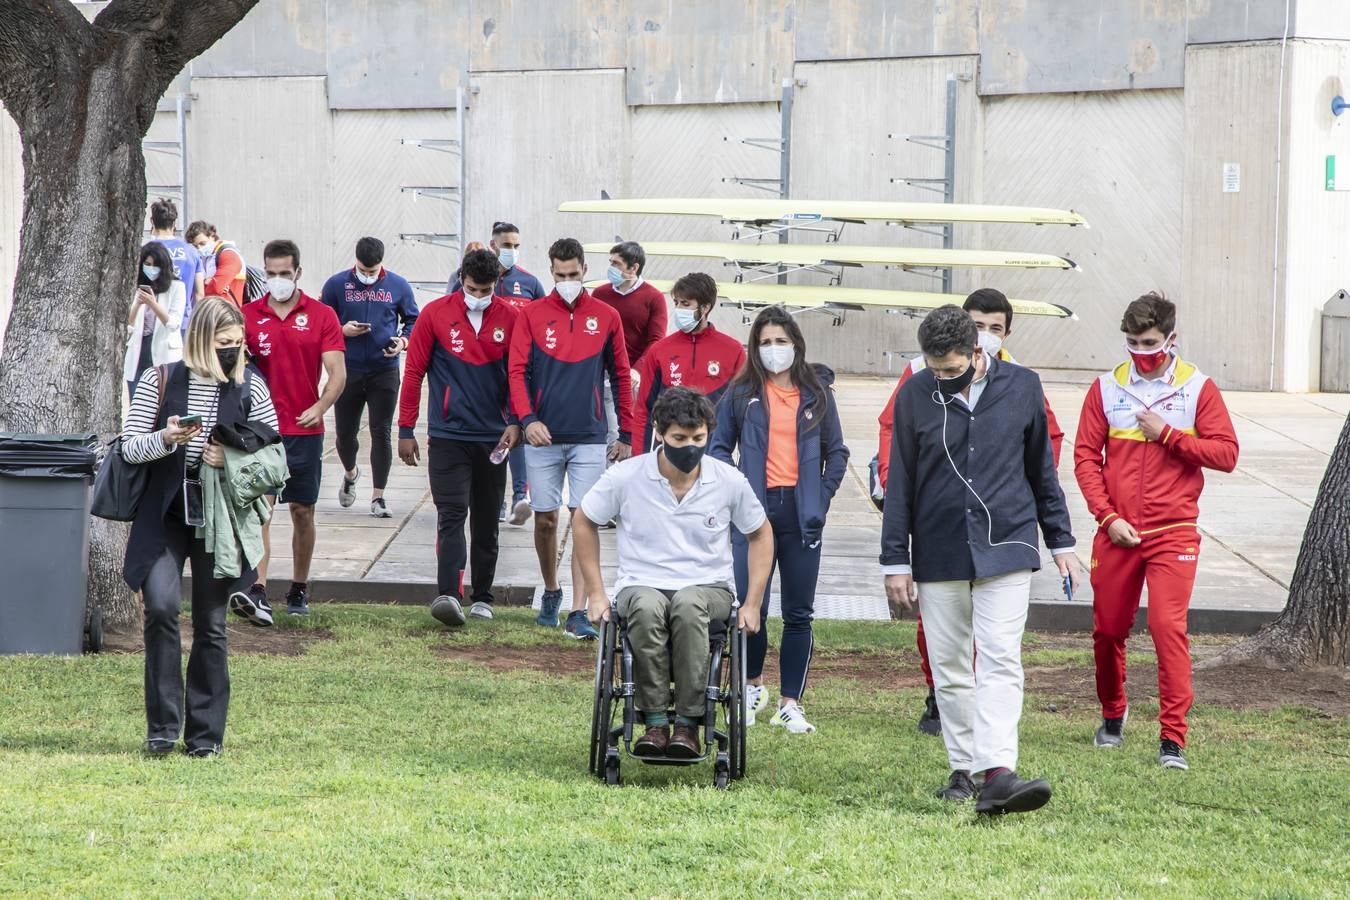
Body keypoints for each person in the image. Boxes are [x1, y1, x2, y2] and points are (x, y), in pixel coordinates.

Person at [881, 304, 1079, 815]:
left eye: (951, 370)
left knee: (999, 657)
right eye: (934, 370)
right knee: (949, 666)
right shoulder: (913, 394)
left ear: (975, 352)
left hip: (1008, 543)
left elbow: (1042, 471)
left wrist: (1061, 542)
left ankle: (997, 771)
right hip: (937, 547)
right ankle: (964, 768)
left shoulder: (1023, 386)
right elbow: (900, 481)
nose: (942, 380)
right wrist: (894, 562)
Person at [1074, 291, 1239, 771]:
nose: (1140, 352)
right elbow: (1085, 458)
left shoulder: (1197, 388)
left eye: (1149, 342)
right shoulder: (1106, 388)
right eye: (1131, 342)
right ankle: (1113, 713)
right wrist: (1108, 517)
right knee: (1107, 630)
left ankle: (1172, 739)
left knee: (1168, 629)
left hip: (1174, 531)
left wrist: (1167, 434)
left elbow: (1227, 454)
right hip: (1117, 530)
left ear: (1171, 338)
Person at [576, 388, 774, 757]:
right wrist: (597, 593)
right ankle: (653, 725)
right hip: (642, 583)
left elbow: (761, 533)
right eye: (680, 439)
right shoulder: (627, 476)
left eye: (699, 438)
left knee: (687, 603)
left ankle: (687, 724)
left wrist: (752, 602)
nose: (690, 447)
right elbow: (584, 520)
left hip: (709, 586)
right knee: (648, 607)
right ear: (659, 432)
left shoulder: (728, 479)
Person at [120, 296, 279, 757]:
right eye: (224, 343)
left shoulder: (251, 385)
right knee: (162, 610)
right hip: (166, 515)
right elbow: (129, 448)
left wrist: (228, 459)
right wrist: (166, 438)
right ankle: (163, 729)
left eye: (239, 342)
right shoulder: (161, 377)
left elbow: (273, 455)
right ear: (200, 341)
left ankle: (205, 738)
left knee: (212, 624)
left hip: (221, 521)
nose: (234, 350)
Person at [709, 306, 849, 735]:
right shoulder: (740, 393)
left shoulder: (818, 394)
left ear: (796, 345)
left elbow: (838, 453)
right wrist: (736, 492)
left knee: (798, 613)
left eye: (781, 342)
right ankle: (752, 688)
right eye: (765, 342)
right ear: (755, 348)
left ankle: (791, 702)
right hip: (753, 517)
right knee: (752, 608)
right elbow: (717, 447)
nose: (773, 350)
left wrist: (820, 500)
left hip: (802, 515)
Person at [508, 237, 634, 640]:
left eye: (574, 274)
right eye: (560, 275)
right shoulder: (530, 315)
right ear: (551, 272)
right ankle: (550, 591)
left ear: (584, 270)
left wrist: (627, 433)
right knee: (546, 520)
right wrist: (527, 420)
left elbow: (620, 375)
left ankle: (579, 610)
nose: (567, 281)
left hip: (590, 436)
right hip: (542, 436)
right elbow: (516, 372)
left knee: (585, 519)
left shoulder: (607, 316)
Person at [398, 248, 520, 625]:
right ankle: (449, 595)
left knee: (486, 520)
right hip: (447, 435)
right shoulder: (435, 315)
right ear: (460, 280)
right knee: (451, 515)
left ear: (496, 285)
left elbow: (520, 375)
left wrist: (516, 421)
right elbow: (414, 372)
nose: (478, 296)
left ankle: (483, 597)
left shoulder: (513, 318)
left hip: (494, 438)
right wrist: (406, 428)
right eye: (472, 288)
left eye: (485, 290)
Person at [241, 239, 346, 618]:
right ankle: (258, 587)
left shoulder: (322, 316)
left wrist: (320, 407)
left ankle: (299, 588)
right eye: (271, 274)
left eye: (285, 274)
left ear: (298, 273)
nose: (278, 280)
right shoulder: (247, 315)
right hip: (260, 433)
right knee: (261, 511)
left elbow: (337, 373)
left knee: (303, 510)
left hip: (304, 433)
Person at [449, 223, 546, 526]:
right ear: (493, 245)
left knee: (516, 433)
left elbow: (541, 324)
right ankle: (497, 501)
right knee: (491, 441)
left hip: (515, 377)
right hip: (478, 379)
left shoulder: (529, 283)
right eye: (506, 245)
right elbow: (452, 312)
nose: (512, 252)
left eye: (516, 245)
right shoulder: (467, 280)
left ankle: (520, 496)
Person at [321, 236, 419, 519]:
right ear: (355, 262)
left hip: (383, 369)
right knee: (345, 435)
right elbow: (321, 322)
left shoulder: (398, 285)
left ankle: (379, 496)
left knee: (381, 431)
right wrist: (341, 330)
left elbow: (413, 320)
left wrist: (402, 342)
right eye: (363, 271)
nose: (368, 276)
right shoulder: (336, 285)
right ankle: (351, 474)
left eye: (373, 272)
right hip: (347, 369)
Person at [631, 272, 745, 454]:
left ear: (705, 307)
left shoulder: (733, 350)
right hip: (668, 456)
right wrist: (639, 458)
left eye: (685, 304)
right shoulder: (659, 350)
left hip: (714, 455)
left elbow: (743, 413)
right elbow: (643, 409)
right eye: (676, 303)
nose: (678, 309)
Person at [592, 241, 668, 453]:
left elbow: (657, 340)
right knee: (611, 437)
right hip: (605, 378)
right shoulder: (599, 294)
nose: (611, 268)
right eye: (611, 262)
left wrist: (637, 370)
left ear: (633, 268)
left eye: (616, 263)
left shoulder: (653, 298)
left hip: (636, 380)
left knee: (635, 436)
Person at [123, 241, 186, 400]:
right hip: (139, 350)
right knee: (138, 400)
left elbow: (173, 324)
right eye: (147, 264)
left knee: (163, 401)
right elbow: (128, 327)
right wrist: (137, 304)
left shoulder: (177, 287)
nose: (151, 269)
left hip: (163, 349)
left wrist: (153, 304)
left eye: (155, 265)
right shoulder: (134, 287)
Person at [147, 197, 203, 333]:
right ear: (174, 224)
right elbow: (199, 294)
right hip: (183, 322)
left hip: (152, 323)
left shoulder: (146, 251)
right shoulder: (192, 252)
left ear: (152, 221)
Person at [186, 220, 246, 308]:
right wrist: (207, 282)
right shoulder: (206, 257)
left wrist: (201, 284)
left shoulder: (229, 254)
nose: (199, 249)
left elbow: (216, 288)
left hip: (227, 314)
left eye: (202, 243)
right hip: (210, 311)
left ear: (212, 236)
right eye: (195, 246)